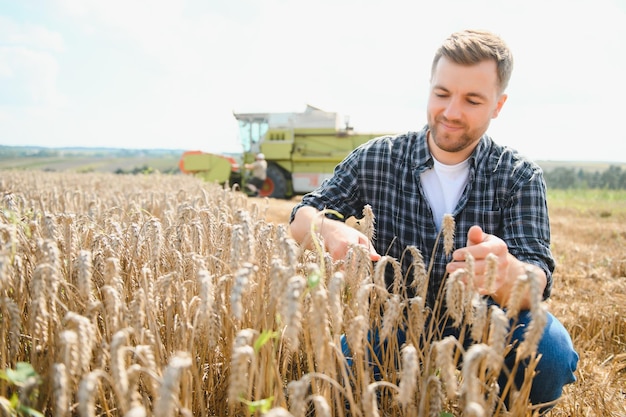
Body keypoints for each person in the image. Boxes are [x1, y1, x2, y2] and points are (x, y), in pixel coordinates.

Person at [289, 29, 578, 409]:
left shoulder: (518, 176)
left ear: (498, 105)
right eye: (442, 94)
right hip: (392, 322)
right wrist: (328, 229)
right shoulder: (376, 159)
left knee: (550, 353)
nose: (452, 112)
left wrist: (509, 275)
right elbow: (300, 217)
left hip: (485, 321)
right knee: (336, 384)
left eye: (473, 100)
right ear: (429, 88)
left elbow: (537, 276)